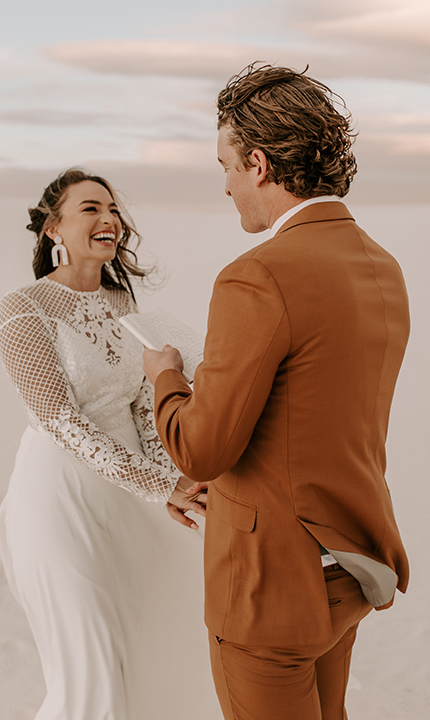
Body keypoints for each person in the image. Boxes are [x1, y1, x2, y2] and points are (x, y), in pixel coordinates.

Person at [143, 64, 410, 720]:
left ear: (259, 164)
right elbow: (316, 414)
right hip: (348, 570)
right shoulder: (383, 266)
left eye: (226, 166)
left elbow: (201, 449)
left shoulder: (256, 277)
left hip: (267, 592)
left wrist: (166, 378)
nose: (227, 186)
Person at [0, 168, 222, 720]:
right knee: (90, 658)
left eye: (114, 209)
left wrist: (176, 476)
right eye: (91, 208)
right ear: (54, 228)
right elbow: (59, 420)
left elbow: (144, 409)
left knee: (162, 641)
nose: (109, 220)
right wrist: (158, 483)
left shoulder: (125, 304)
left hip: (136, 499)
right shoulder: (23, 308)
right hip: (60, 499)